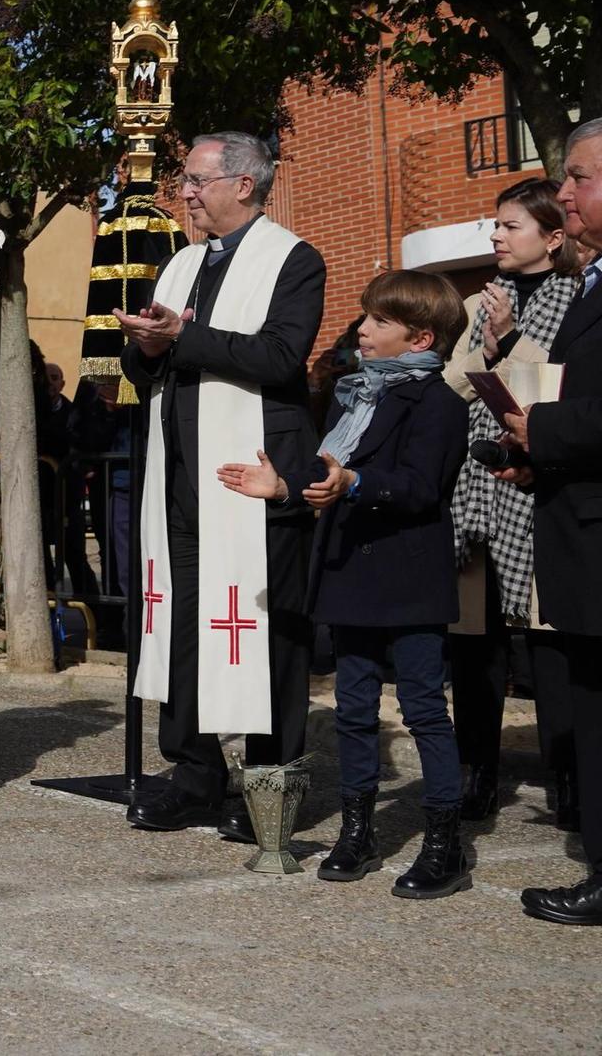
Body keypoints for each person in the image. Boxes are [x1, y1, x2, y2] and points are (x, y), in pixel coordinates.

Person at [219, 270, 472, 897]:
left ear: (421, 336)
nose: (362, 329)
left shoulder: (438, 402)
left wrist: (356, 484)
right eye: (366, 317)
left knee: (422, 711)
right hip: (350, 573)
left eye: (379, 321)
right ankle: (356, 832)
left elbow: (420, 487)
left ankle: (445, 844)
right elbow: (325, 470)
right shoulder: (353, 394)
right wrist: (282, 487)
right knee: (354, 710)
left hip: (408, 575)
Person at [116, 131, 325, 836]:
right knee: (185, 625)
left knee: (267, 627)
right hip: (178, 474)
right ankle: (196, 774)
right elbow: (148, 369)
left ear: (243, 183)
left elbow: (281, 355)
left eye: (197, 179)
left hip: (253, 472)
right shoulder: (180, 264)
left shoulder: (293, 259)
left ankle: (269, 786)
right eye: (184, 180)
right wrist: (146, 348)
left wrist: (179, 339)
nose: (185, 192)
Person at [442, 178, 583, 826]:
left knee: (550, 646)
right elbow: (454, 382)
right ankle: (477, 771)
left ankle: (568, 778)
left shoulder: (576, 299)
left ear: (553, 238)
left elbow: (544, 389)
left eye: (510, 225)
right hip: (476, 493)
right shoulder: (479, 301)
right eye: (494, 225)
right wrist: (490, 339)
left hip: (539, 491)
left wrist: (508, 341)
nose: (496, 236)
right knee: (475, 644)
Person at [499, 117, 602, 926]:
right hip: (576, 516)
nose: (563, 192)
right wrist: (536, 450)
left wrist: (548, 432)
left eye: (578, 177)